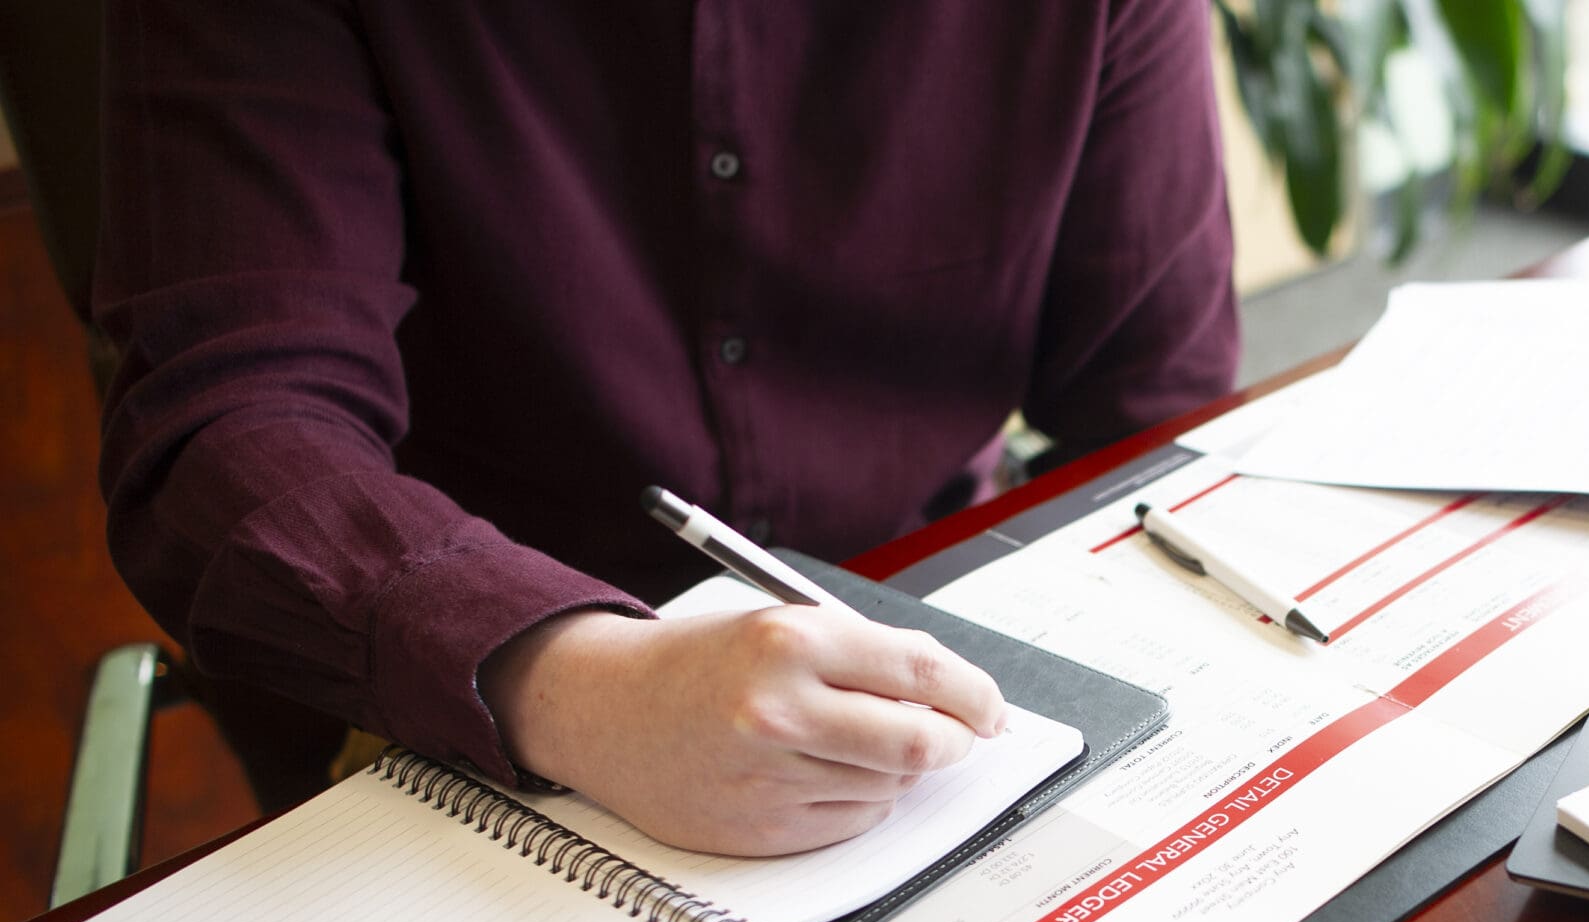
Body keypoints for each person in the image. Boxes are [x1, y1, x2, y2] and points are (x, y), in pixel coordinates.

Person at [93, 2, 1239, 854]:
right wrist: (574, 683)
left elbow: (1151, 410)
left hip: (936, 671)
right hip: (475, 717)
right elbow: (227, 429)